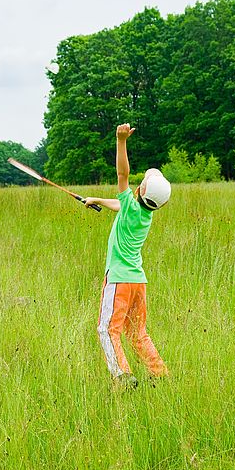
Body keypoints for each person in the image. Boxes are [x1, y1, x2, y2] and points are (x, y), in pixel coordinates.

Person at [84, 123, 171, 388]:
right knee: (137, 333)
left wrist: (121, 141)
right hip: (138, 282)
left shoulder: (131, 204)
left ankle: (122, 376)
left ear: (142, 191)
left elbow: (123, 174)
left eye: (142, 182)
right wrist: (97, 200)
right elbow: (121, 206)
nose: (139, 182)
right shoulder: (144, 214)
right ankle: (159, 374)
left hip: (119, 280)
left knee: (107, 330)